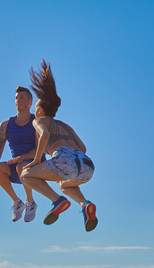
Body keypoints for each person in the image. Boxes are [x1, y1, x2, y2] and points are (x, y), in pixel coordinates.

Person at [20, 61, 98, 231]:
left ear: (39, 110)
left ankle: (57, 201)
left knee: (25, 175)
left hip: (63, 158)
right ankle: (85, 205)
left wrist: (35, 161)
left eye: (35, 107)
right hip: (87, 167)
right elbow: (83, 148)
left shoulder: (39, 121)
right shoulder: (65, 125)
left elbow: (45, 135)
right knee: (64, 184)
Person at [0, 86, 42, 222]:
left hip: (37, 164)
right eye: (16, 98)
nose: (18, 100)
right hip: (18, 166)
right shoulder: (6, 125)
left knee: (20, 165)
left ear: (30, 102)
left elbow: (39, 150)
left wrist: (22, 157)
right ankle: (17, 202)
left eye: (22, 98)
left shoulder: (36, 122)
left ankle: (30, 202)